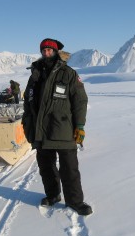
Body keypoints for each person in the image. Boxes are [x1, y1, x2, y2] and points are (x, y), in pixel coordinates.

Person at [22, 38, 92, 216]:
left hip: (63, 128)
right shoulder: (36, 73)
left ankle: (75, 201)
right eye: (44, 50)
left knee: (69, 167)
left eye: (49, 50)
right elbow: (28, 100)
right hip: (41, 129)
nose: (46, 53)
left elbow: (80, 101)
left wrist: (80, 125)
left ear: (56, 52)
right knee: (46, 166)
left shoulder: (68, 73)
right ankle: (52, 195)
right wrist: (27, 122)